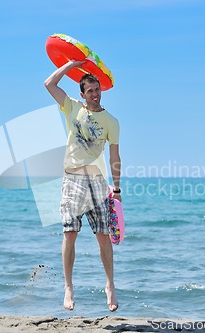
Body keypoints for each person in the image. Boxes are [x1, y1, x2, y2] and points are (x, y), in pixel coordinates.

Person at [44, 60, 121, 312]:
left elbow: (115, 157)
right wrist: (71, 62)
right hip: (72, 180)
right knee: (70, 234)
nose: (95, 94)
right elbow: (49, 84)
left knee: (103, 237)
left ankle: (110, 286)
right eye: (90, 91)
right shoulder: (72, 108)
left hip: (98, 183)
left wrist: (117, 189)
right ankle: (68, 287)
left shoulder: (111, 121)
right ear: (82, 94)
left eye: (97, 89)